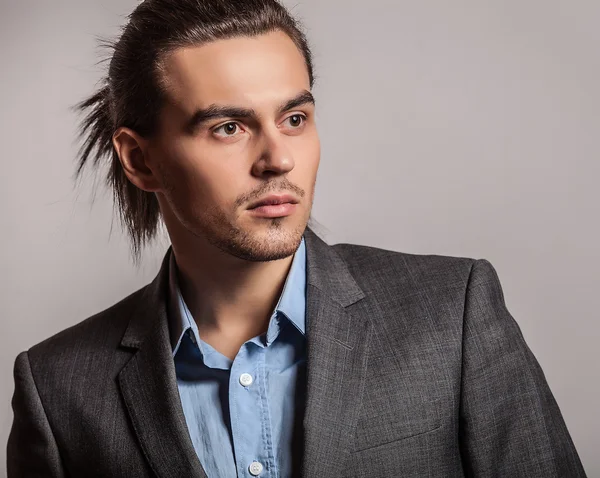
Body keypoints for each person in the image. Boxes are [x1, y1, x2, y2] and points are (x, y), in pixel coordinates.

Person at [6, 0, 587, 477]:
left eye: (295, 118)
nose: (278, 158)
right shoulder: (59, 389)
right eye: (228, 127)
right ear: (140, 159)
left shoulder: (451, 315)